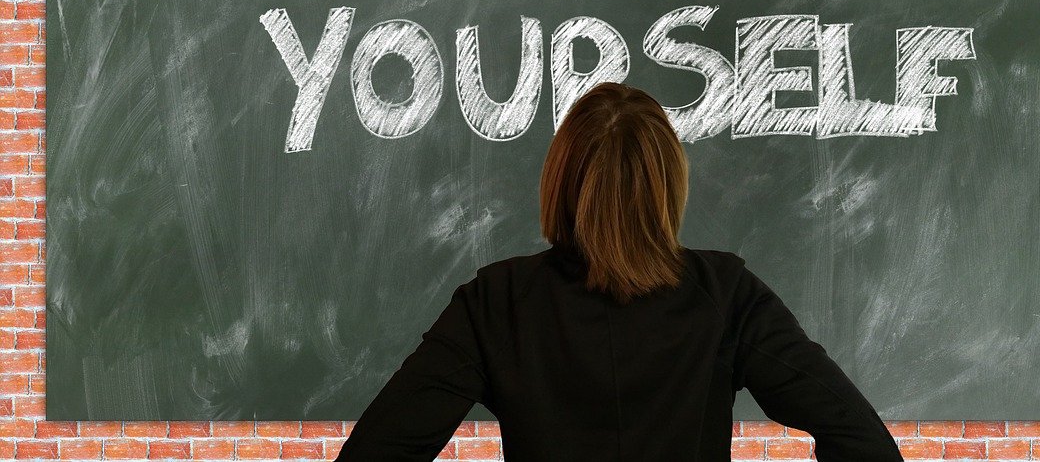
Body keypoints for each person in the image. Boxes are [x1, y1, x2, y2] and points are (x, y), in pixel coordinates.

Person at [335, 82, 903, 461]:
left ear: (561, 181)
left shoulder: (497, 301)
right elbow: (862, 441)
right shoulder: (725, 294)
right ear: (667, 186)